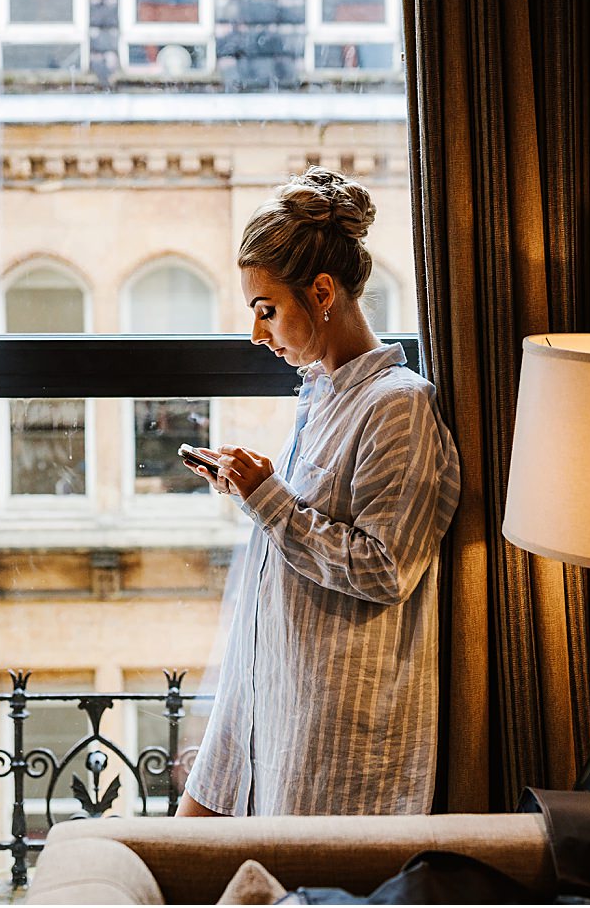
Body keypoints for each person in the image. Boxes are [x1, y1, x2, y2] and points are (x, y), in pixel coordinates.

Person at [176, 166, 461, 816]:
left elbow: (386, 568)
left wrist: (270, 500)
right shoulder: (320, 397)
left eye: (267, 311)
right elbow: (304, 529)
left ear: (323, 292)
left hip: (332, 733)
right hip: (266, 693)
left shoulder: (397, 407)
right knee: (181, 845)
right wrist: (251, 491)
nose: (258, 334)